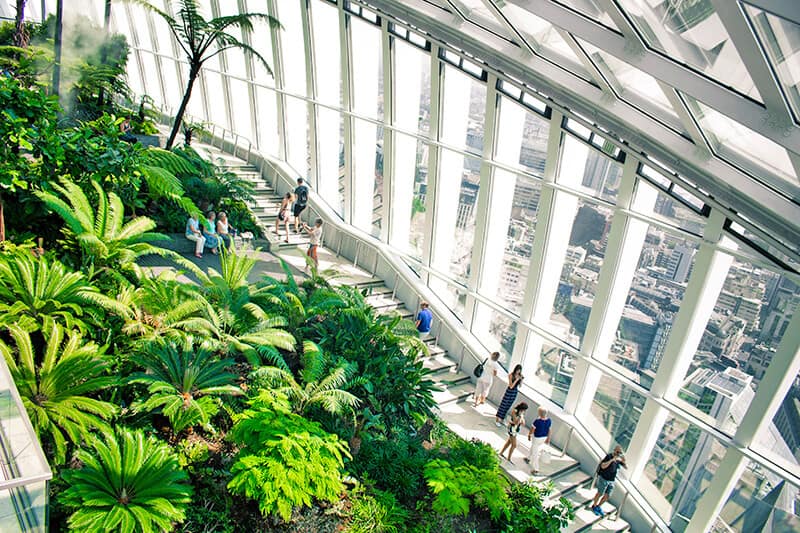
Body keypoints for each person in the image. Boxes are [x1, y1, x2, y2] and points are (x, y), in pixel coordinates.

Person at [591, 445, 627, 517]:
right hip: (604, 478)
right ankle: (594, 506)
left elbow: (626, 467)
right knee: (600, 493)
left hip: (611, 480)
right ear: (614, 450)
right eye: (617, 452)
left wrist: (623, 460)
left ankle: (599, 506)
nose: (618, 454)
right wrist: (612, 460)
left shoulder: (618, 460)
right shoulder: (609, 456)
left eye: (620, 452)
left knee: (607, 495)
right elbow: (603, 466)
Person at [525, 407, 552, 474]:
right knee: (534, 447)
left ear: (539, 413)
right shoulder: (549, 420)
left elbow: (532, 429)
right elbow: (549, 430)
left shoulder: (537, 421)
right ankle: (528, 458)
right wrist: (548, 438)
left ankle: (536, 469)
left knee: (535, 453)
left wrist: (529, 435)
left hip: (537, 437)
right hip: (544, 438)